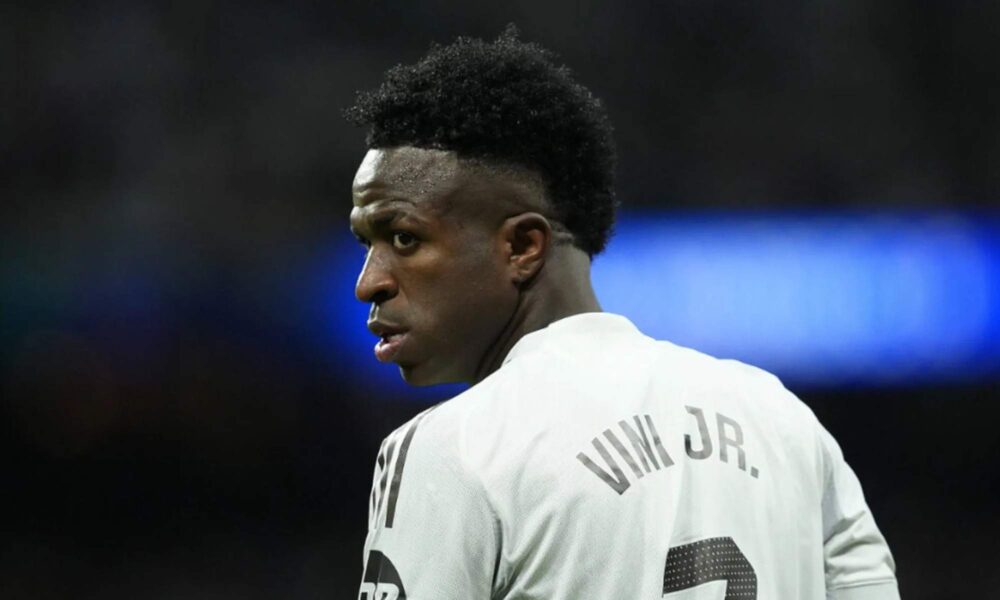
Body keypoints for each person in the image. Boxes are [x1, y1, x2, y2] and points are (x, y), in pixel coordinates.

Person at [345, 27, 899, 600]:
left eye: (404, 238)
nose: (369, 283)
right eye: (367, 243)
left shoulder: (453, 447)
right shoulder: (782, 420)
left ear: (522, 247)